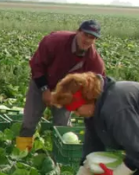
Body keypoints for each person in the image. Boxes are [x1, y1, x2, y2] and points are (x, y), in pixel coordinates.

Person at [15, 20, 106, 151]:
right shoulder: (54, 41)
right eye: (85, 35)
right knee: (29, 123)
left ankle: (60, 159)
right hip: (41, 83)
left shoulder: (94, 61)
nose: (87, 40)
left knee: (63, 127)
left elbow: (97, 85)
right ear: (78, 31)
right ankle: (22, 154)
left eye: (92, 38)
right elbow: (37, 65)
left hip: (67, 92)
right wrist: (44, 89)